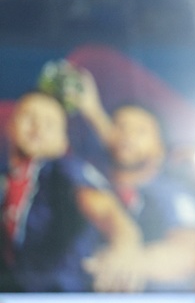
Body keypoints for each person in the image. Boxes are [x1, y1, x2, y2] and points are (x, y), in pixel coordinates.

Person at [73, 68, 195, 291]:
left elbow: (191, 252)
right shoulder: (87, 183)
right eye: (120, 127)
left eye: (140, 131)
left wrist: (131, 262)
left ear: (160, 149)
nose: (127, 136)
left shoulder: (173, 194)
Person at [0, 91, 143, 292]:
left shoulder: (65, 169)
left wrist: (124, 245)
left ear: (63, 140)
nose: (38, 127)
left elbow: (104, 209)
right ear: (10, 125)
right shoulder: (8, 180)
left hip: (64, 297)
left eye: (50, 124)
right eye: (29, 116)